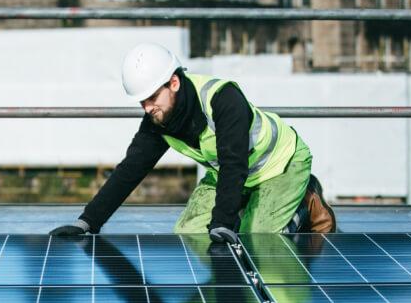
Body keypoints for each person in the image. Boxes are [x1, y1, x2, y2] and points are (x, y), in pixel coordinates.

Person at [50, 42, 336, 243]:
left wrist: (223, 223)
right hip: (234, 175)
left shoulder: (222, 99)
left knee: (258, 236)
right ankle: (245, 205)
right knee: (189, 234)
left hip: (280, 164)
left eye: (151, 98)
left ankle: (306, 199)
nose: (147, 108)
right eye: (142, 101)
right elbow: (130, 170)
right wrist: (87, 222)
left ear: (173, 83)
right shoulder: (159, 120)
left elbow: (233, 162)